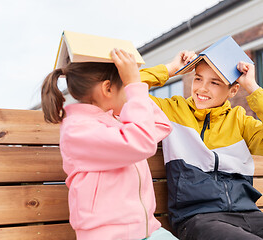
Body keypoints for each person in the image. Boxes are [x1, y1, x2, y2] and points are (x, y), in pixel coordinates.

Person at [140, 50, 263, 240]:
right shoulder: (172, 111)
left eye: (214, 82)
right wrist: (171, 69)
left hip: (249, 215)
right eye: (198, 79)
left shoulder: (239, 121)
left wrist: (253, 87)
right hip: (197, 219)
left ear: (233, 90)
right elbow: (122, 92)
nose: (202, 88)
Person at [41, 49, 178, 240]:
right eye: (127, 89)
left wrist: (134, 82)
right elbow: (142, 142)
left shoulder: (117, 119)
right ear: (107, 89)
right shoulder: (78, 130)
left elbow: (161, 125)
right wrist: (134, 85)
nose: (131, 94)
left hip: (146, 230)